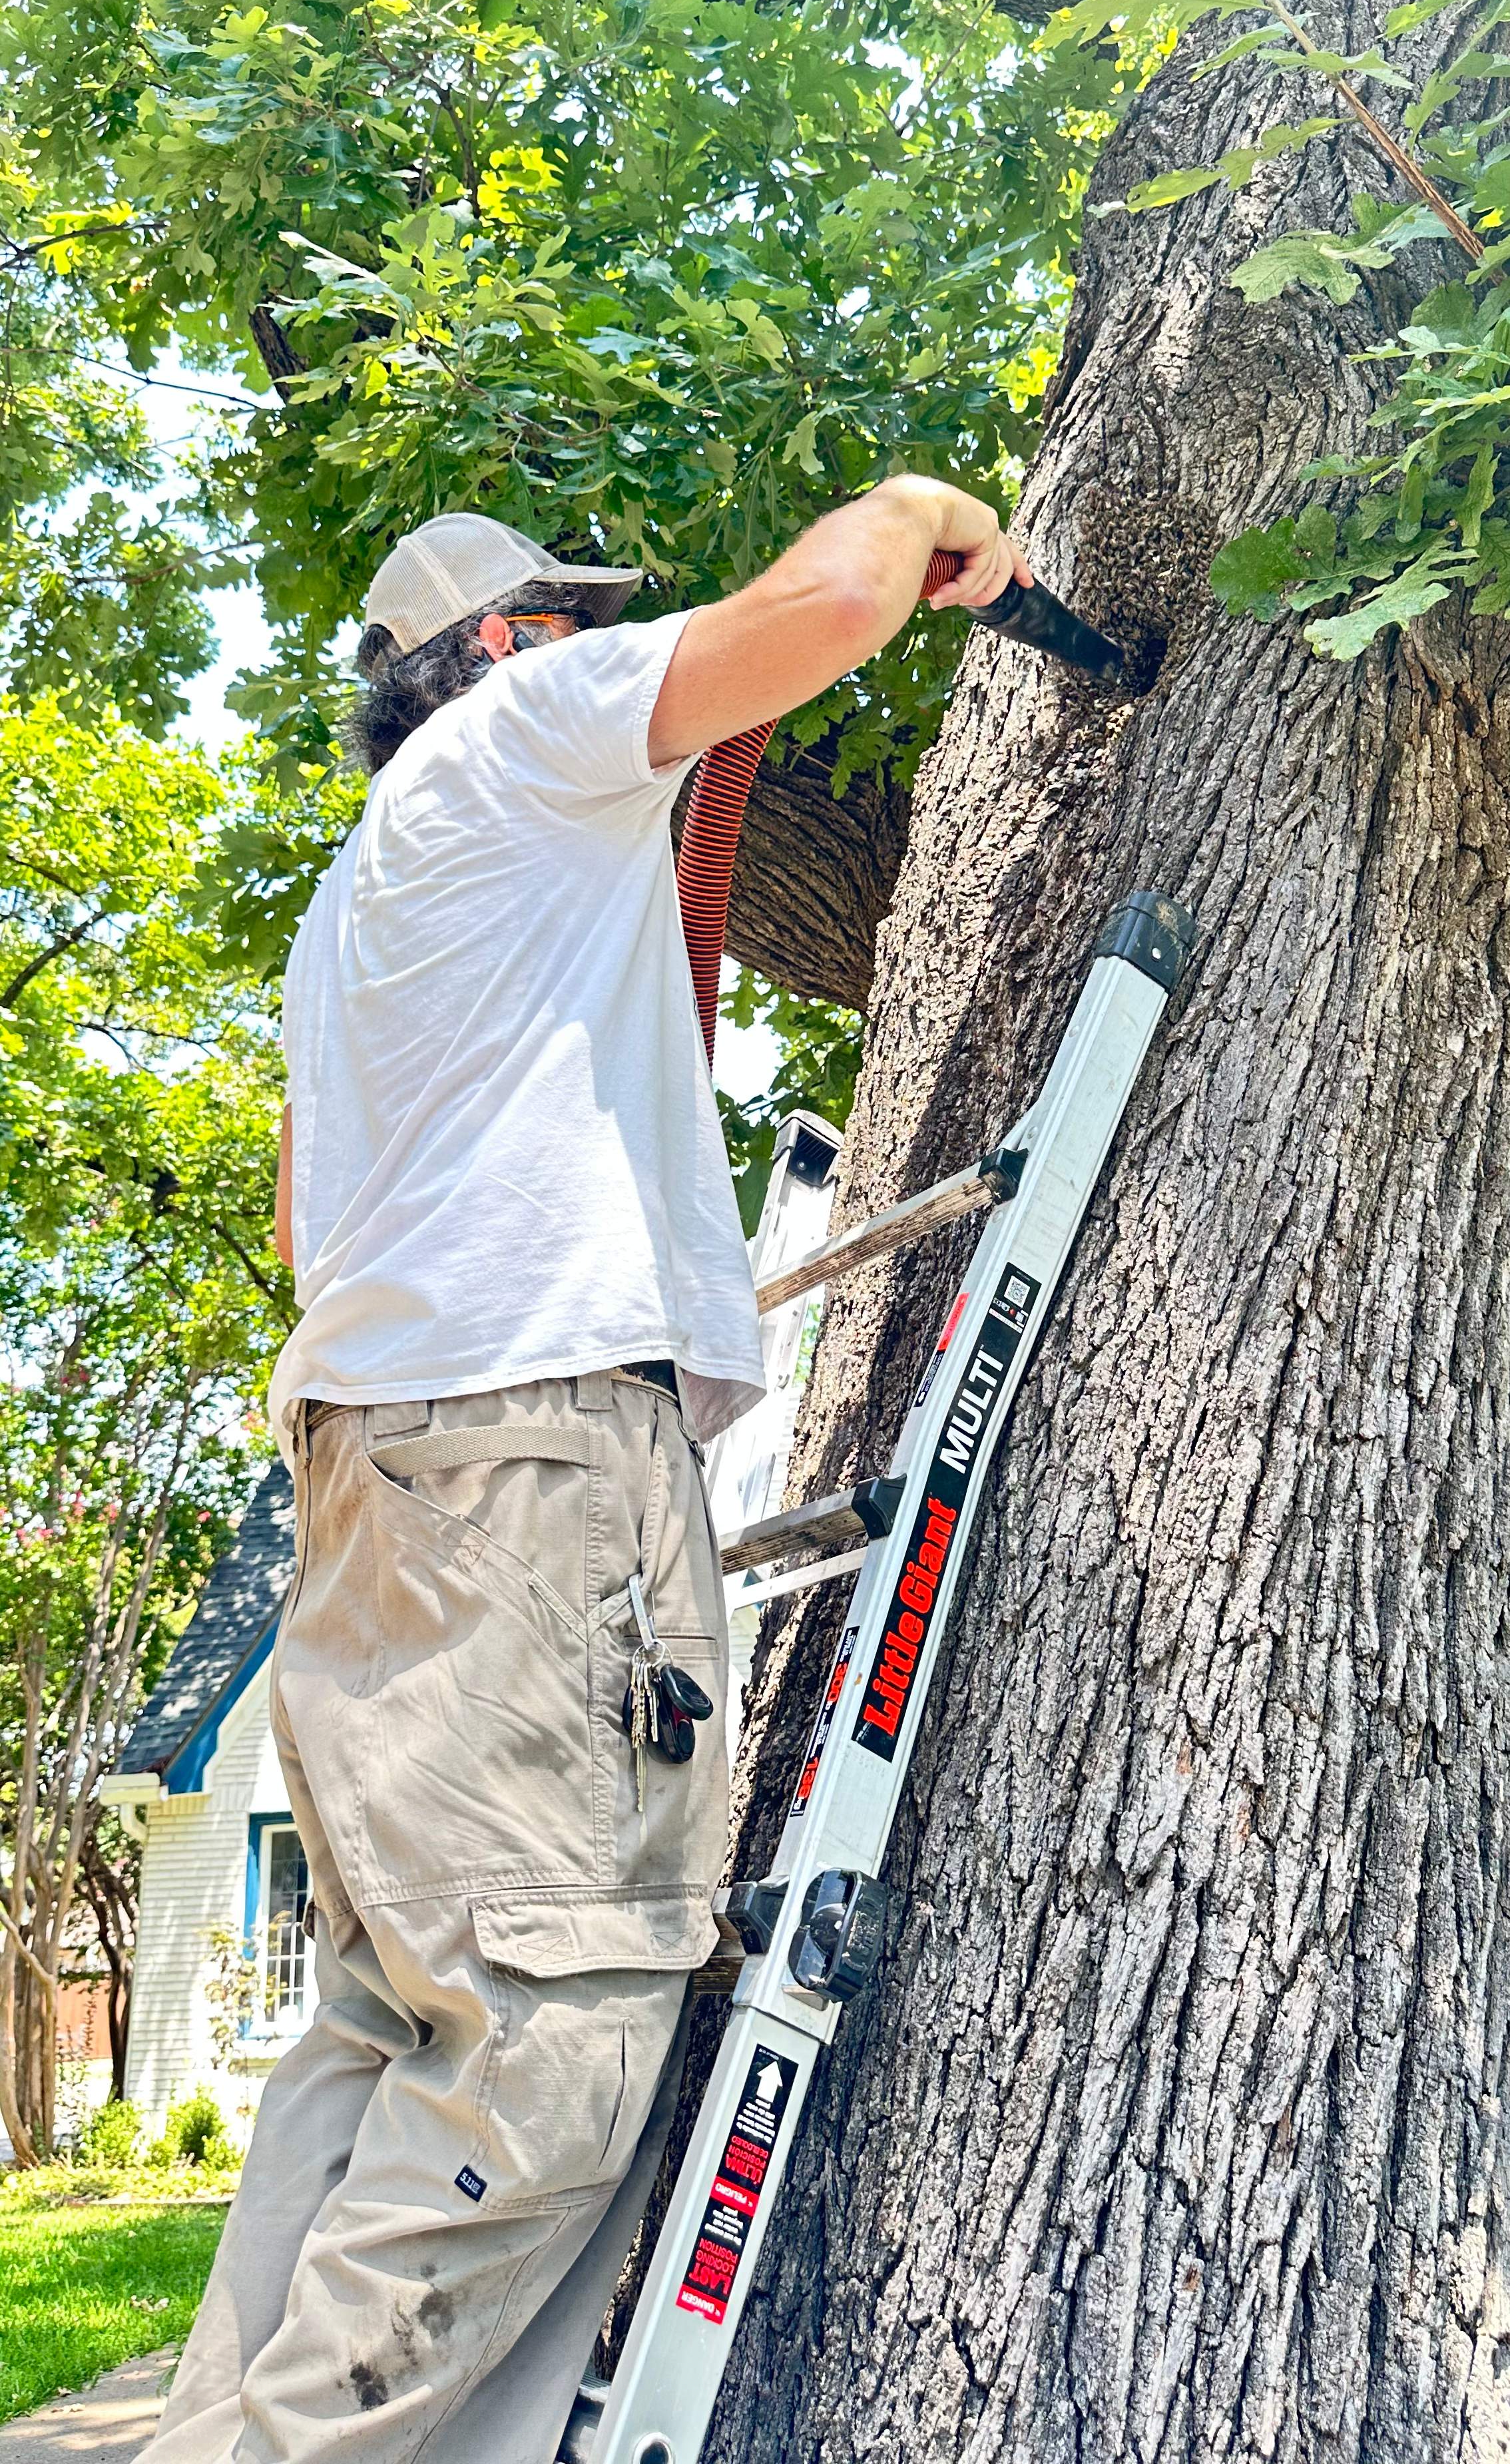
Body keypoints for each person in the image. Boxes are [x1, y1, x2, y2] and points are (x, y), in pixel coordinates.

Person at [146, 479, 1030, 2464]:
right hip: (532, 1452)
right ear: (510, 650)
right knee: (550, 2041)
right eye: (573, 626)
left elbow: (308, 1225)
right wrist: (920, 511)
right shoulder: (532, 739)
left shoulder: (359, 894)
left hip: (376, 1471)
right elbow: (816, 614)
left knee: (389, 2029)